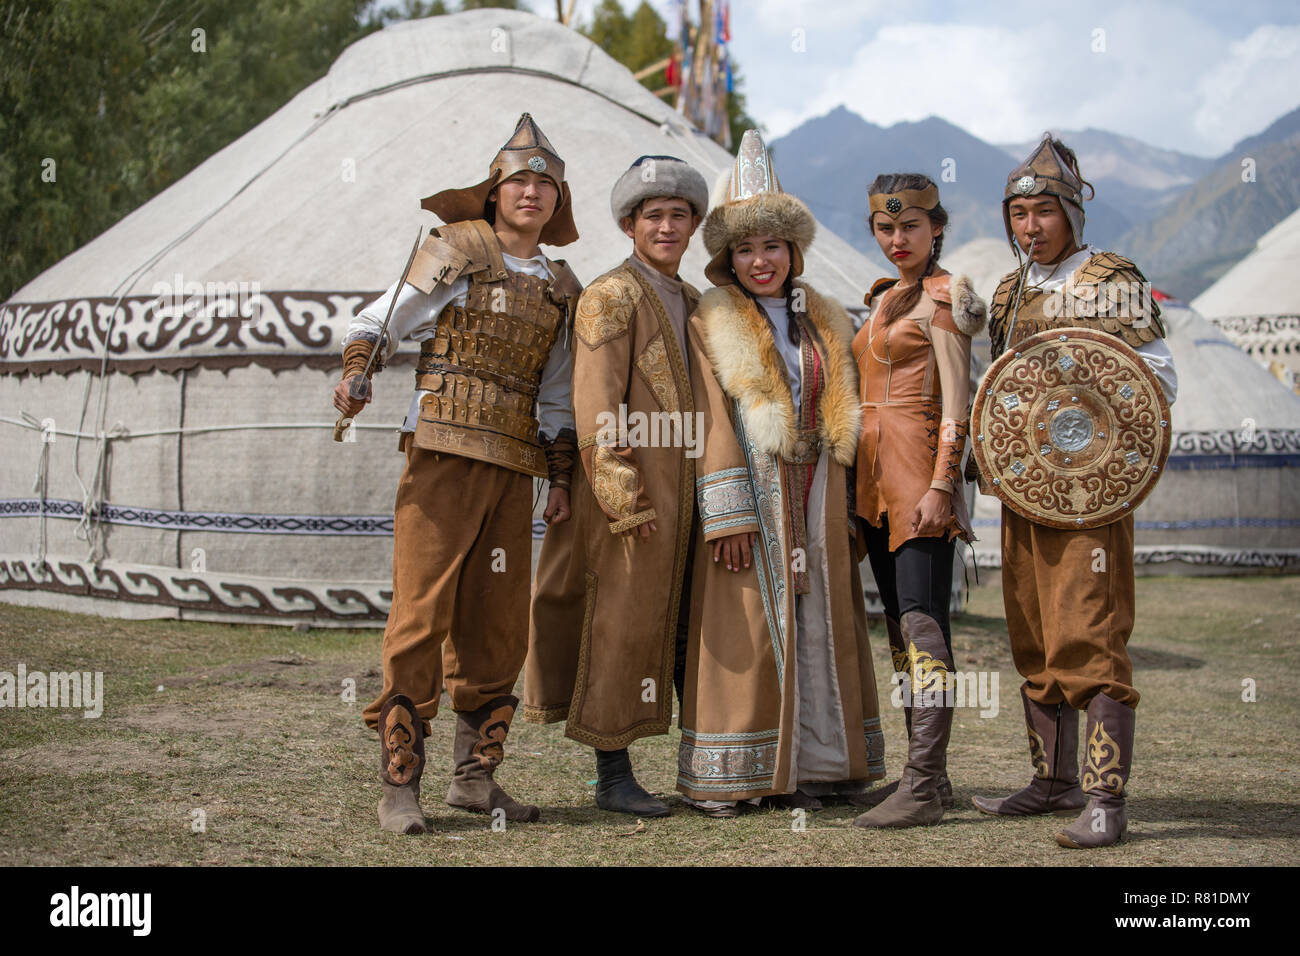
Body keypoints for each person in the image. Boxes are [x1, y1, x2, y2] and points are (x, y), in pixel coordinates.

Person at [336, 113, 582, 834]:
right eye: (519, 180)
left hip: (513, 463)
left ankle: (476, 781)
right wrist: (359, 371)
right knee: (421, 612)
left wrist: (560, 477)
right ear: (496, 191)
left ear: (558, 200)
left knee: (501, 623)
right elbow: (377, 319)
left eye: (545, 183)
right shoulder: (460, 247)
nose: (532, 191)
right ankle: (400, 787)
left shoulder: (563, 283)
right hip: (443, 453)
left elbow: (558, 391)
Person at [970, 134, 1178, 849]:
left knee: (1089, 635)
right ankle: (1052, 781)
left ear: (1072, 214)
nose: (1030, 227)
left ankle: (1104, 801)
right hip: (1025, 494)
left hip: (1091, 495)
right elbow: (995, 391)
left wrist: (1080, 386)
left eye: (1043, 212)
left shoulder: (1113, 279)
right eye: (1018, 214)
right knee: (1033, 633)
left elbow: (1159, 382)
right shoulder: (1009, 291)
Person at [677, 129, 885, 817]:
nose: (759, 259)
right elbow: (707, 415)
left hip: (816, 493)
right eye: (744, 247)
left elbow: (845, 411)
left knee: (818, 623)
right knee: (748, 628)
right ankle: (732, 774)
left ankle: (815, 767)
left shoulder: (824, 317)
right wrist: (727, 509)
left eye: (772, 245)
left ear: (793, 250)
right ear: (727, 257)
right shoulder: (711, 319)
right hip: (753, 493)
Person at [524, 155, 710, 817]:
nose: (665, 226)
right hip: (629, 502)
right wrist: (618, 489)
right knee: (618, 626)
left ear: (693, 225)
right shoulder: (611, 294)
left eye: (678, 215)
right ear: (630, 224)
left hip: (691, 499)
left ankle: (709, 766)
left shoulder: (694, 301)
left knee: (688, 631)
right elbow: (596, 402)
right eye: (652, 215)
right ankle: (613, 774)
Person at [850, 174, 986, 828]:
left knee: (924, 624)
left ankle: (924, 784)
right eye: (885, 228)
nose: (897, 239)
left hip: (919, 479)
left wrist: (942, 486)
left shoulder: (943, 299)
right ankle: (927, 776)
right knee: (901, 632)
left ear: (937, 227)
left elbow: (958, 403)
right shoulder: (879, 299)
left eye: (910, 227)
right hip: (872, 485)